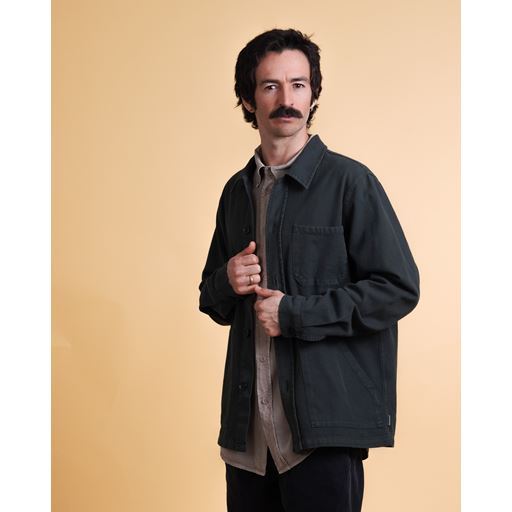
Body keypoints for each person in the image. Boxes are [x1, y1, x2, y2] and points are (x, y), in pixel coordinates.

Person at [198, 28, 420, 512]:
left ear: (313, 94)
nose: (287, 99)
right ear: (248, 99)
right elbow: (210, 300)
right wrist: (226, 281)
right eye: (271, 86)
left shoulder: (350, 182)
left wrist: (295, 314)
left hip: (321, 434)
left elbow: (397, 288)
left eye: (298, 85)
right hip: (248, 439)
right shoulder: (236, 193)